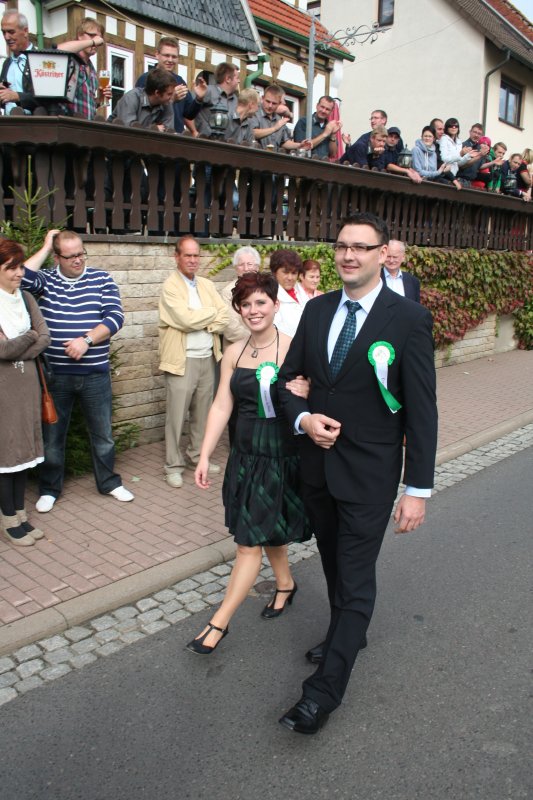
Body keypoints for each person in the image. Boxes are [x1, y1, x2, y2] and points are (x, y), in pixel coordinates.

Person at [277, 212, 438, 734]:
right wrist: (303, 418)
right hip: (318, 469)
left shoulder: (408, 318)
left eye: (361, 247)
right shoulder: (318, 309)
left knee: (355, 572)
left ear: (382, 254)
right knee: (333, 563)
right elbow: (285, 381)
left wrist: (417, 489)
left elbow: (422, 411)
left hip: (371, 473)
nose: (349, 255)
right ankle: (347, 632)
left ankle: (322, 692)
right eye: (342, 245)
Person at [187, 272, 312, 654]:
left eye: (261, 302)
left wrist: (309, 390)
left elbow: (318, 399)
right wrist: (205, 454)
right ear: (238, 310)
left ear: (275, 305)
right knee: (264, 528)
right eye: (246, 304)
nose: (253, 310)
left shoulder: (295, 349)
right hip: (244, 455)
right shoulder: (233, 352)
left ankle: (219, 623)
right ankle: (285, 583)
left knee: (248, 542)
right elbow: (221, 405)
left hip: (280, 455)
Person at [22, 230, 134, 512]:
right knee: (53, 438)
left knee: (102, 434)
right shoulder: (45, 280)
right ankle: (49, 489)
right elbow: (21, 276)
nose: (78, 260)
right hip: (55, 376)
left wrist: (86, 341)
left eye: (81, 253)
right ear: (57, 257)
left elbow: (115, 317)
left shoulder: (101, 278)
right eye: (70, 256)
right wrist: (45, 246)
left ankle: (108, 483)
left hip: (95, 374)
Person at [159, 235, 229, 489]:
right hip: (182, 360)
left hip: (207, 358)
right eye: (187, 255)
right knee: (176, 417)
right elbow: (184, 319)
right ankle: (173, 466)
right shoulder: (170, 286)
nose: (192, 260)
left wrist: (202, 319)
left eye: (196, 255)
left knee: (202, 415)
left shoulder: (207, 285)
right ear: (176, 257)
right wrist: (210, 315)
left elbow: (225, 317)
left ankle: (197, 457)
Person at [0, 239, 50, 545]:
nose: (19, 273)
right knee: (7, 454)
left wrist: (23, 342)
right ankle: (7, 519)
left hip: (28, 384)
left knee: (25, 453)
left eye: (20, 266)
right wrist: (30, 336)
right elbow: (3, 350)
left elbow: (45, 336)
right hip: (4, 390)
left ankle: (20, 514)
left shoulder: (27, 298)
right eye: (11, 268)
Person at [135, 36, 207, 135]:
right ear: (157, 54)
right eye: (166, 55)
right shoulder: (146, 79)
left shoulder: (180, 81)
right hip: (154, 136)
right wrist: (171, 99)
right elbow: (141, 114)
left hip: (176, 137)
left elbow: (189, 115)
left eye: (174, 57)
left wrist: (199, 99)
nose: (170, 60)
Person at [57, 18, 111, 119]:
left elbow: (86, 104)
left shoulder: (92, 69)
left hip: (85, 125)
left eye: (99, 38)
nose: (96, 42)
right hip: (67, 122)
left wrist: (99, 100)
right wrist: (92, 42)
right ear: (80, 35)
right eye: (91, 35)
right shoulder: (70, 60)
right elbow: (57, 50)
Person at [110, 68, 176, 131]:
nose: (172, 97)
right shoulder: (131, 98)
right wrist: (153, 129)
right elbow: (127, 130)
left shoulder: (166, 103)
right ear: (157, 93)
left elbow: (168, 131)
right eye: (169, 94)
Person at [251, 84, 310, 153]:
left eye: (274, 103)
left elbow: (284, 142)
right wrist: (274, 128)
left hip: (272, 158)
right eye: (268, 101)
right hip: (253, 156)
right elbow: (252, 133)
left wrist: (299, 145)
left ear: (279, 103)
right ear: (262, 98)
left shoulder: (278, 119)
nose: (270, 106)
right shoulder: (254, 112)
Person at [220, 246, 261, 345]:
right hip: (238, 346)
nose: (246, 268)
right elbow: (230, 328)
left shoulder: (265, 289)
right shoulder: (228, 292)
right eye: (241, 265)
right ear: (236, 268)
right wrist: (258, 339)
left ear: (257, 267)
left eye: (250, 264)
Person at [0, 11, 36, 115]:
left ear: (25, 31)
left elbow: (47, 99)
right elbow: (4, 100)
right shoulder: (7, 63)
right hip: (8, 122)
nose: (6, 37)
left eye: (11, 32)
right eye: (3, 32)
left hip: (34, 123)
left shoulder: (39, 59)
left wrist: (18, 97)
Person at [194, 62, 240, 137]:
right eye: (237, 78)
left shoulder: (236, 100)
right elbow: (189, 112)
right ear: (228, 79)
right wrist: (196, 132)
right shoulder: (207, 91)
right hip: (204, 140)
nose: (239, 81)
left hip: (226, 142)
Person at [270, 249, 305, 336]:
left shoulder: (301, 291)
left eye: (294, 273)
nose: (290, 278)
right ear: (274, 272)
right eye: (285, 272)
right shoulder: (269, 296)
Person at [438, 118, 474, 190]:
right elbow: (443, 159)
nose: (454, 127)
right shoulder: (444, 139)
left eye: (456, 126)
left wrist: (468, 155)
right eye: (451, 126)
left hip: (453, 175)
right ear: (447, 128)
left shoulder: (459, 142)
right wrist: (460, 154)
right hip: (444, 174)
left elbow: (458, 163)